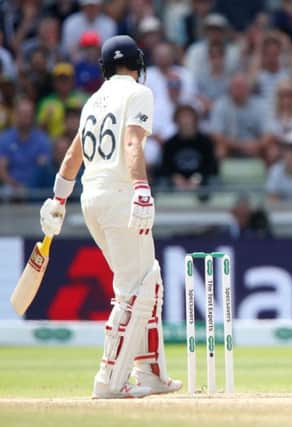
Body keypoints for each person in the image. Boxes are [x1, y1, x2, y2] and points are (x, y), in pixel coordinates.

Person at [38, 35, 182, 399]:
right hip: (120, 197)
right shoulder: (137, 92)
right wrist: (141, 188)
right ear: (139, 64)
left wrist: (58, 198)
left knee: (148, 279)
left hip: (91, 199)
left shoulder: (91, 101)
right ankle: (109, 380)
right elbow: (133, 142)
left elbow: (74, 154)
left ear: (104, 67)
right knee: (134, 288)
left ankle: (151, 372)